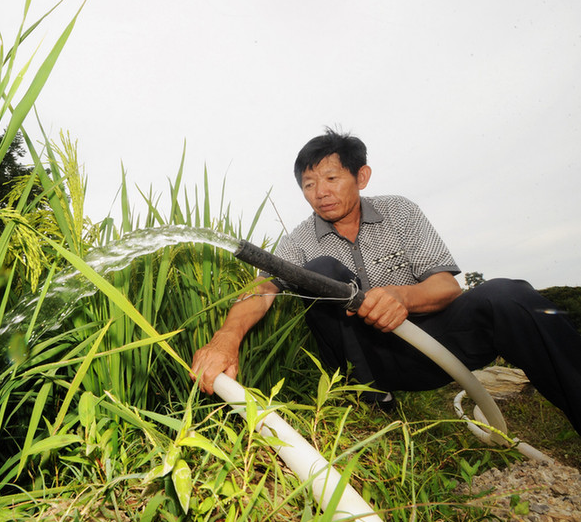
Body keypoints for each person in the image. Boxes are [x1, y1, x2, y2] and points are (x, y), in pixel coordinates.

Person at [191, 128, 581, 433]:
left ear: (361, 176)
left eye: (331, 177)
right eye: (309, 184)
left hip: (432, 348)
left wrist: (402, 297)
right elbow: (262, 290)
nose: (320, 193)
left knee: (508, 294)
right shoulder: (297, 240)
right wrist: (226, 339)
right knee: (322, 271)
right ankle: (374, 402)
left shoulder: (399, 212)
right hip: (363, 364)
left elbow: (446, 286)